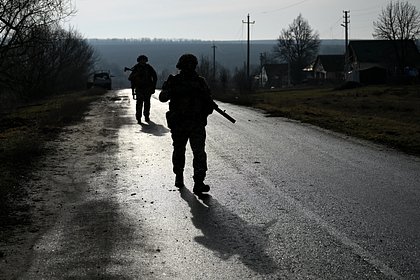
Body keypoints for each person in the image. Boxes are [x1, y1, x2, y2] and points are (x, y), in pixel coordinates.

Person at [159, 54, 214, 194]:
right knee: (185, 151)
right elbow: (162, 97)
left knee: (194, 152)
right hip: (182, 123)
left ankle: (196, 181)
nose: (190, 68)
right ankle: (183, 177)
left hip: (192, 124)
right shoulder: (176, 81)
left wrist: (203, 113)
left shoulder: (199, 82)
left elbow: (209, 104)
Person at [128, 55, 157, 123]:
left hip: (147, 88)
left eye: (144, 60)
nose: (143, 61)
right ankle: (138, 117)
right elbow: (130, 78)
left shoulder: (148, 67)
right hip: (139, 88)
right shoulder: (136, 68)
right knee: (139, 103)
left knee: (147, 103)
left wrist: (153, 86)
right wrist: (136, 75)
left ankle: (146, 116)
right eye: (141, 60)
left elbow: (155, 77)